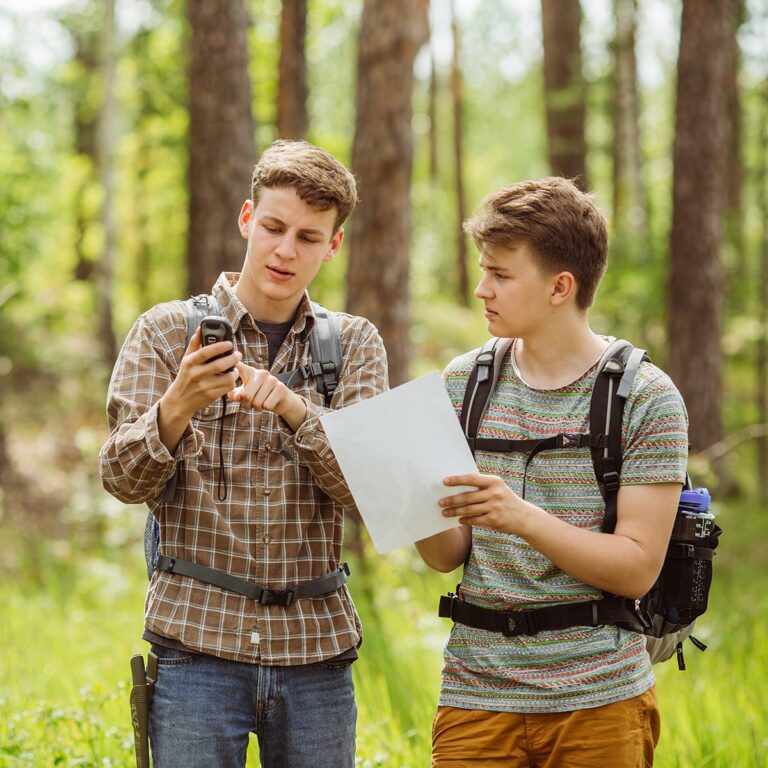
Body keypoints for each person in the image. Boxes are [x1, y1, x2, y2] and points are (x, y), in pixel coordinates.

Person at [100, 140, 388, 768]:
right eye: (275, 227)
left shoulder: (356, 344)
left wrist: (295, 411)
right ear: (246, 218)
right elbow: (119, 478)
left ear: (333, 245)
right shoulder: (163, 331)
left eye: (310, 238)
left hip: (317, 653)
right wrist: (177, 403)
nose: (286, 251)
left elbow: (371, 493)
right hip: (195, 646)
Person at [416, 177, 688, 768]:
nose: (480, 288)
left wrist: (522, 518)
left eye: (501, 275)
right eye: (483, 269)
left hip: (600, 697)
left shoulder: (646, 396)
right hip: (475, 693)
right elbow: (445, 555)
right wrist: (404, 490)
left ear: (561, 286)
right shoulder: (463, 384)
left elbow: (638, 569)